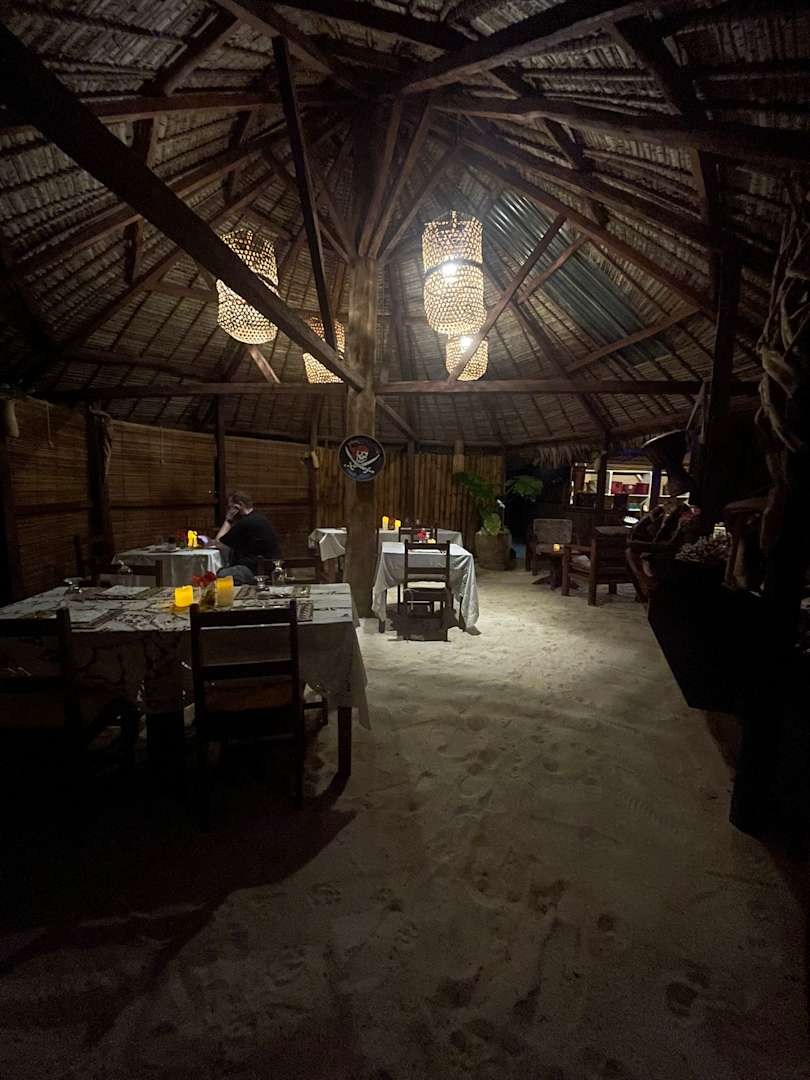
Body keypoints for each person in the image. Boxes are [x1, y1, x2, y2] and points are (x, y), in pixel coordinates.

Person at [214, 491, 280, 584]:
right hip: (269, 566)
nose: (229, 510)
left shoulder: (245, 522)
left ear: (238, 506)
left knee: (221, 575)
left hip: (256, 570)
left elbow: (218, 542)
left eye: (230, 507)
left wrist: (228, 519)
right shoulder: (258, 517)